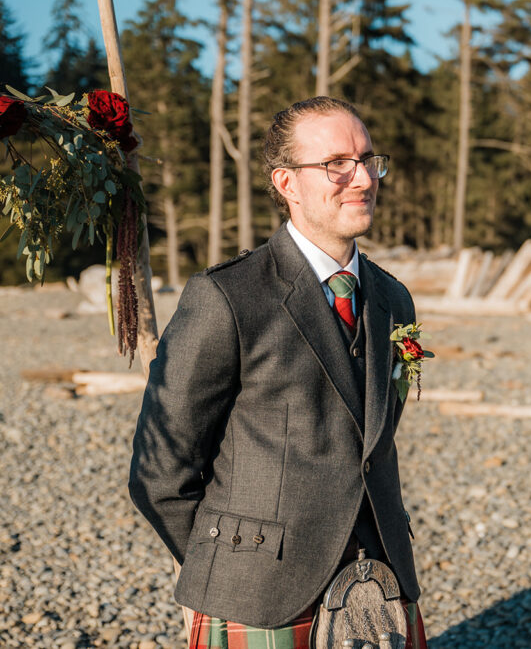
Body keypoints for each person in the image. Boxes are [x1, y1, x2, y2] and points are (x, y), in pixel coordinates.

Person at [129, 96, 428, 648]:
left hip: (382, 582)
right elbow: (160, 471)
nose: (361, 177)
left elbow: (372, 441)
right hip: (258, 594)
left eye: (367, 159)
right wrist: (230, 564)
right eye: (336, 163)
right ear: (286, 182)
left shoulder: (393, 300)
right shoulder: (227, 296)